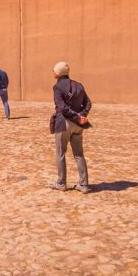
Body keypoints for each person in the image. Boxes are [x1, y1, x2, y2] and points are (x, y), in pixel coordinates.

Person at [49, 61, 91, 192]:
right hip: (78, 125)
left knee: (60, 153)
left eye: (54, 70)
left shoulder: (57, 87)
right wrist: (81, 116)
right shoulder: (79, 85)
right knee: (79, 154)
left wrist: (77, 116)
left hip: (64, 123)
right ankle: (83, 184)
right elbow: (88, 103)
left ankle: (61, 183)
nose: (53, 72)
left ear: (59, 73)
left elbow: (62, 108)